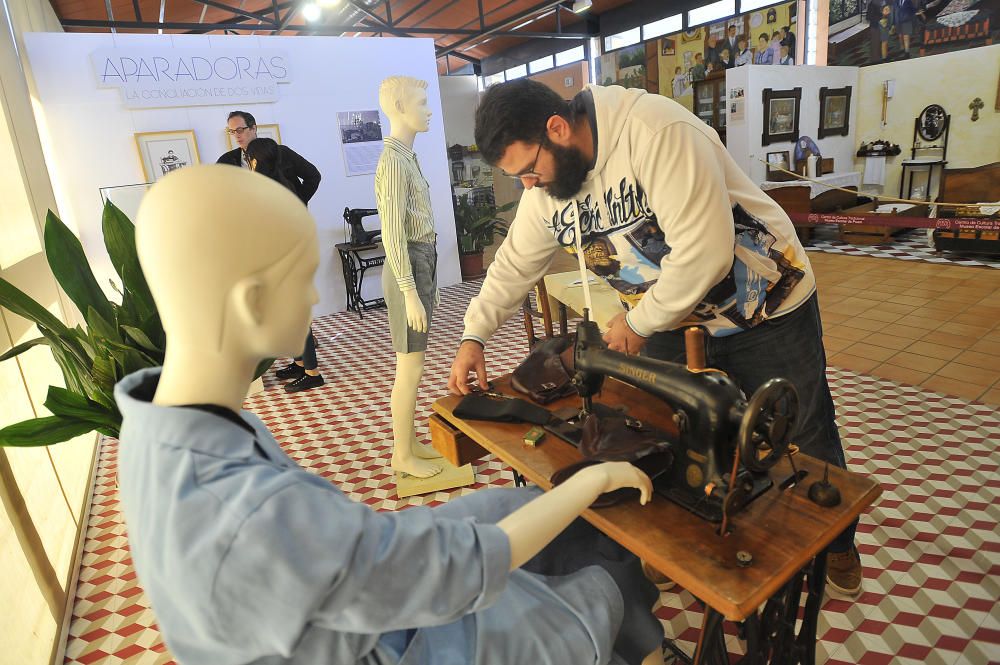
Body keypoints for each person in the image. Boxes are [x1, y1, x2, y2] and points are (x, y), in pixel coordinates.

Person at [116, 163, 666, 665]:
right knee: (597, 596)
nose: (313, 299)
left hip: (321, 588)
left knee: (517, 503)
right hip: (370, 644)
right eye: (303, 279)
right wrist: (588, 483)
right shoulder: (248, 513)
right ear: (252, 303)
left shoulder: (163, 422)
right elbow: (449, 573)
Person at [448, 79, 864, 598]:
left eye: (528, 170)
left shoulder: (657, 131)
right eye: (518, 178)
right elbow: (513, 266)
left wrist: (639, 324)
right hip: (667, 318)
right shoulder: (550, 191)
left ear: (555, 128)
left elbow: (705, 251)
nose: (528, 185)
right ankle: (687, 542)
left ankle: (837, 543)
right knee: (670, 429)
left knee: (803, 431)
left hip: (766, 305)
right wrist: (475, 336)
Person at [373, 76, 445, 479]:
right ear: (399, 108)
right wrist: (409, 290)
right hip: (409, 268)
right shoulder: (393, 162)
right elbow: (393, 233)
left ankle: (409, 441)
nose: (428, 109)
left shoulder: (407, 157)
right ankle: (401, 454)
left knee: (414, 366)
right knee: (409, 368)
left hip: (421, 262)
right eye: (421, 101)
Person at [245, 137, 325, 393]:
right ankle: (300, 363)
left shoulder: (269, 191)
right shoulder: (282, 188)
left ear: (255, 161)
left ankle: (312, 373)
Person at [217, 110, 321, 204]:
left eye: (239, 130)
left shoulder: (282, 152)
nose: (236, 135)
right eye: (232, 131)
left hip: (287, 219)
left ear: (253, 128)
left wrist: (298, 202)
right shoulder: (226, 161)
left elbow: (313, 175)